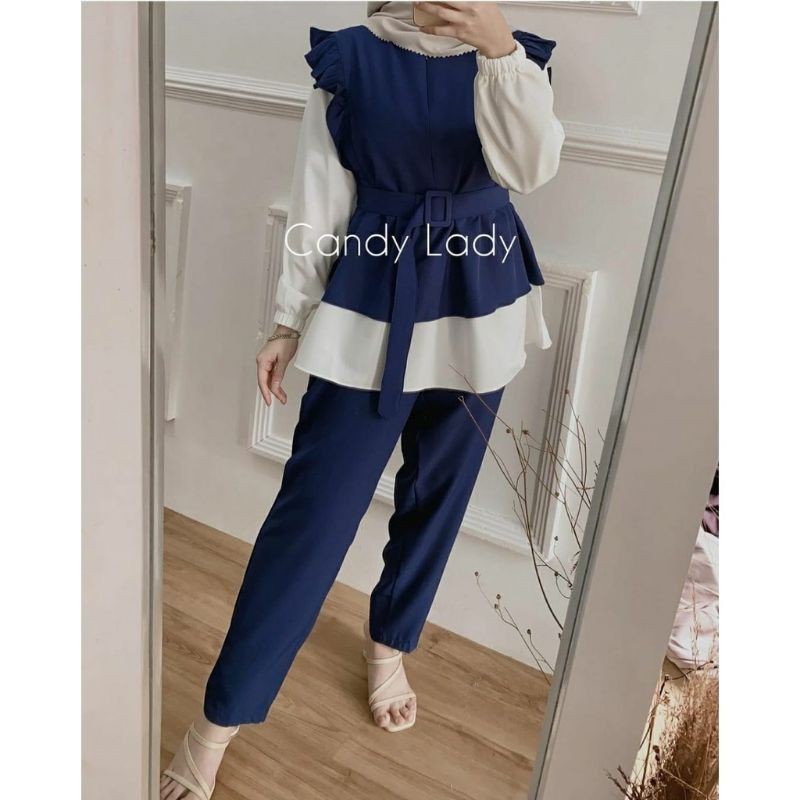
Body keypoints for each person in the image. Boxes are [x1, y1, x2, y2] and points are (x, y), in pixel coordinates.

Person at [161, 2, 563, 798]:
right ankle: (218, 719)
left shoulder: (519, 58)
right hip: (374, 296)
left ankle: (390, 642)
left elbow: (529, 169)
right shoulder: (348, 59)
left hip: (483, 299)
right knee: (313, 517)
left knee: (437, 498)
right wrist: (289, 320)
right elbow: (318, 199)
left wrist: (498, 51)